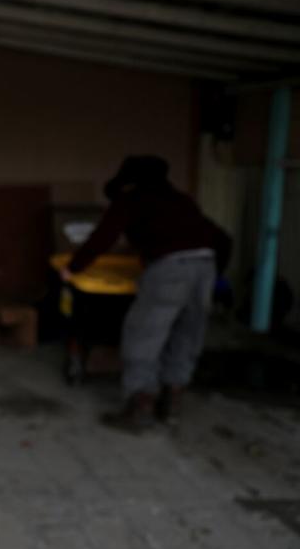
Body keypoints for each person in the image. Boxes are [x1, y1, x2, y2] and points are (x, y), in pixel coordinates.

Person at [62, 156, 232, 432]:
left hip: (169, 270)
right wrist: (216, 277)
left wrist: (72, 268)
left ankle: (140, 406)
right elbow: (223, 239)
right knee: (187, 334)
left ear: (128, 181)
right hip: (205, 266)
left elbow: (102, 237)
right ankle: (172, 402)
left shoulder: (132, 200)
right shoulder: (182, 200)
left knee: (144, 335)